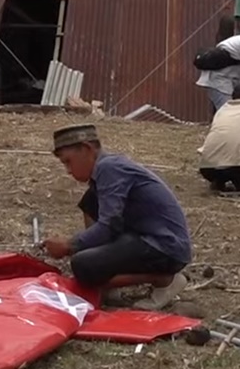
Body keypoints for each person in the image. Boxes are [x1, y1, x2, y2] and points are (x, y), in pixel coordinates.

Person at [40, 124, 192, 311]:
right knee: (90, 201)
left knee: (82, 266)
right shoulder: (107, 170)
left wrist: (70, 245)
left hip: (165, 246)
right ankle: (107, 276)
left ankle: (165, 279)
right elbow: (105, 217)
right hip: (147, 236)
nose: (68, 170)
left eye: (68, 162)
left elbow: (109, 225)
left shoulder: (109, 169)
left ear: (87, 149)